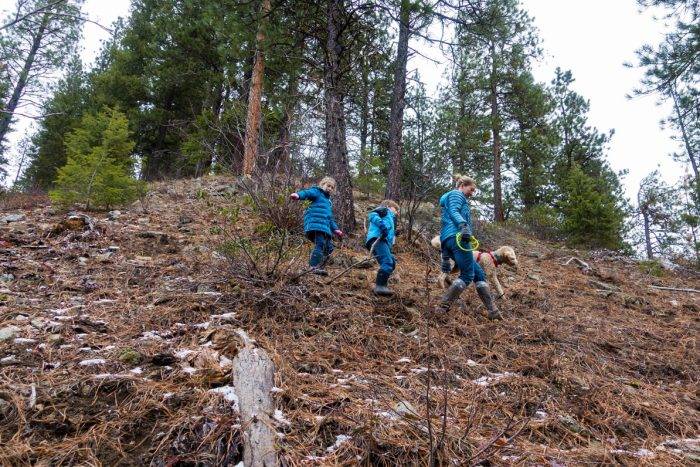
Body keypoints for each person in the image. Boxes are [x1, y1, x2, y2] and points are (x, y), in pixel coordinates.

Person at [438, 176, 501, 320]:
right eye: (471, 189)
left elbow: (445, 227)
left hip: (449, 239)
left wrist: (446, 257)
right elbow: (455, 211)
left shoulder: (449, 199)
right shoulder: (456, 194)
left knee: (478, 273)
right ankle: (442, 307)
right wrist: (464, 226)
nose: (472, 193)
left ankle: (493, 311)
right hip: (459, 237)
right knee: (467, 275)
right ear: (462, 185)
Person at [290, 176, 343, 275]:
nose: (330, 188)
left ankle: (319, 267)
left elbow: (330, 218)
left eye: (332, 187)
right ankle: (312, 267)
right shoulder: (317, 192)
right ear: (322, 185)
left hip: (325, 228)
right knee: (320, 243)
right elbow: (307, 193)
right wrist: (298, 195)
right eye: (328, 186)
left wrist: (336, 229)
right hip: (314, 224)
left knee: (329, 248)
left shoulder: (328, 202)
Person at [365, 200, 399, 296]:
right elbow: (372, 215)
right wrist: (381, 225)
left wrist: (394, 233)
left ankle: (383, 284)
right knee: (387, 262)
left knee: (391, 263)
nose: (397, 212)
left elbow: (388, 231)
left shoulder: (390, 218)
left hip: (384, 242)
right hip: (377, 239)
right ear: (389, 206)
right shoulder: (384, 210)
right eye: (396, 209)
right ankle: (380, 286)